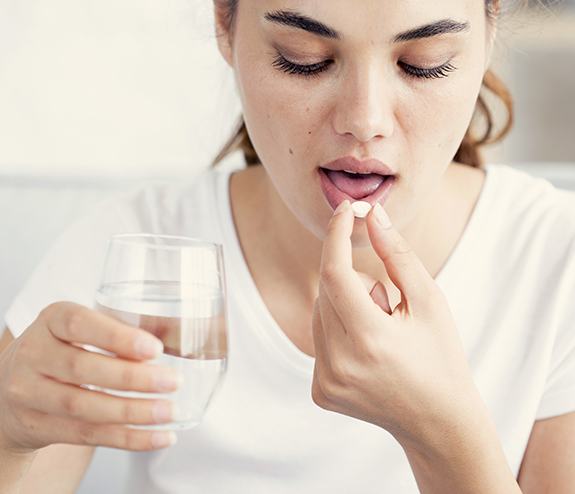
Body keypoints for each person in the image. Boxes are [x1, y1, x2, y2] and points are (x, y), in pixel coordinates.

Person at [1, 0, 574, 492]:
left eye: (423, 65)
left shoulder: (556, 260)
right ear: (225, 24)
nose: (364, 121)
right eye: (305, 59)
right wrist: (8, 435)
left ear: (489, 29)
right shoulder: (132, 259)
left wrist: (442, 434)